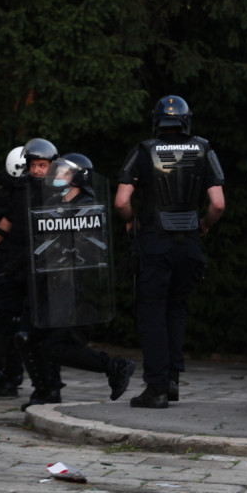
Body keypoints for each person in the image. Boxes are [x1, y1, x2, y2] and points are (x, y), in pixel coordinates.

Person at [115, 95, 225, 409]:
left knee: (152, 314)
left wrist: (130, 223)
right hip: (188, 242)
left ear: (157, 121)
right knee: (176, 309)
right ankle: (173, 379)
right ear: (187, 120)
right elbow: (218, 203)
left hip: (154, 242)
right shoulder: (204, 148)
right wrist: (203, 224)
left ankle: (157, 388)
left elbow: (122, 201)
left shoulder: (143, 150)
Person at [14, 154, 135, 410]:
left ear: (79, 177)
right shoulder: (52, 202)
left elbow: (89, 250)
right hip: (47, 284)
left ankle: (114, 366)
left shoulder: (88, 205)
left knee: (56, 347)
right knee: (27, 337)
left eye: (63, 173)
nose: (56, 176)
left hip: (72, 288)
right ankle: (46, 391)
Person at [0, 138, 59, 398]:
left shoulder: (58, 191)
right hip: (14, 266)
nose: (38, 170)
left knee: (35, 329)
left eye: (43, 165)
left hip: (40, 269)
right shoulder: (19, 190)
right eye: (34, 165)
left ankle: (46, 385)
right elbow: (6, 222)